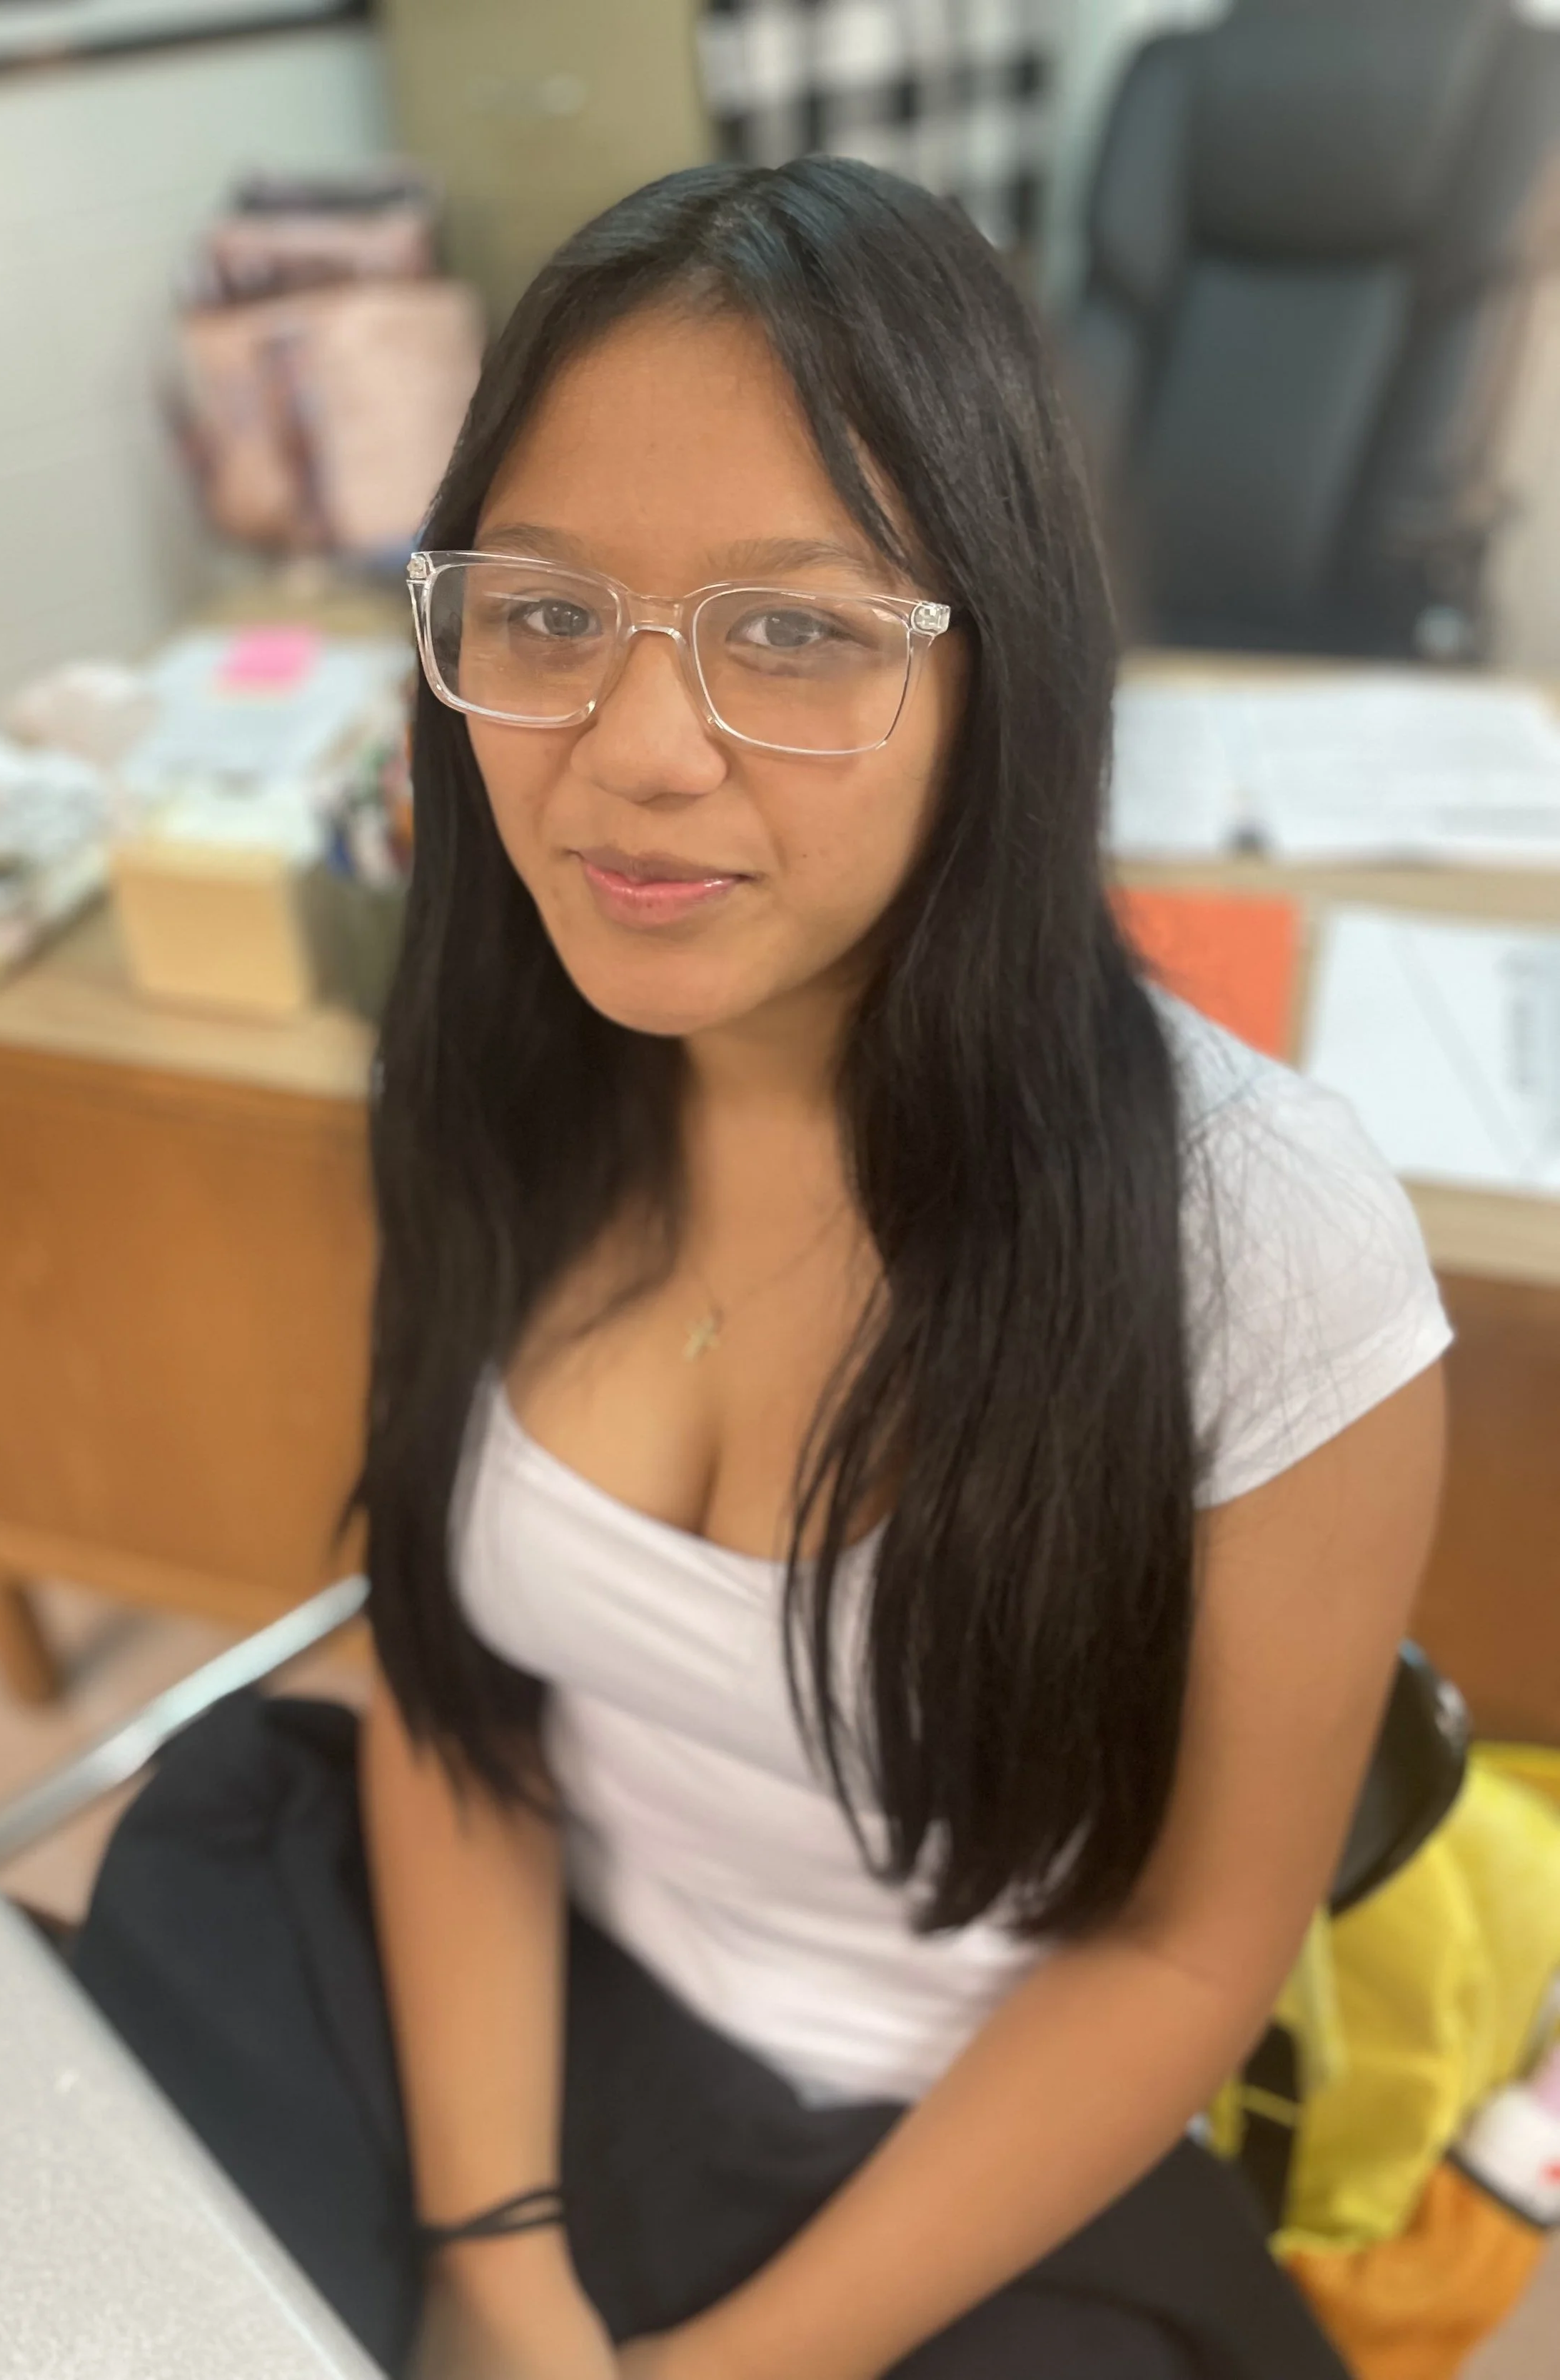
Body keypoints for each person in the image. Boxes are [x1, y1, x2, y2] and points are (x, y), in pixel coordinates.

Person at [74, 159, 1451, 2379]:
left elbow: (1185, 1957)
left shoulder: (1264, 1243)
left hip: (936, 2154)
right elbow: (463, 1706)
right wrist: (499, 2250)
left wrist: (726, 2366)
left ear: (1000, 665)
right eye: (541, 612)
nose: (627, 752)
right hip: (533, 2005)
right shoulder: (508, 1067)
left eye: (793, 629)